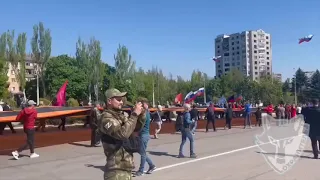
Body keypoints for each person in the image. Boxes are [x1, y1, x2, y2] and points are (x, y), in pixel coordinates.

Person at [99, 88, 144, 180]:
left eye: (122, 100)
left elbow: (134, 128)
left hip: (126, 168)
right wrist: (134, 115)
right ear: (109, 101)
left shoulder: (120, 116)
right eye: (118, 100)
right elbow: (122, 134)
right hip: (115, 171)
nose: (121, 102)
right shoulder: (105, 118)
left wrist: (140, 116)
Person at [134, 98, 157, 176]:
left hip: (143, 135)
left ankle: (141, 170)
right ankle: (151, 165)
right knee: (142, 152)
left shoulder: (144, 114)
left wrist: (136, 132)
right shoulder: (146, 113)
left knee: (142, 153)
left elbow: (140, 126)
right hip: (145, 135)